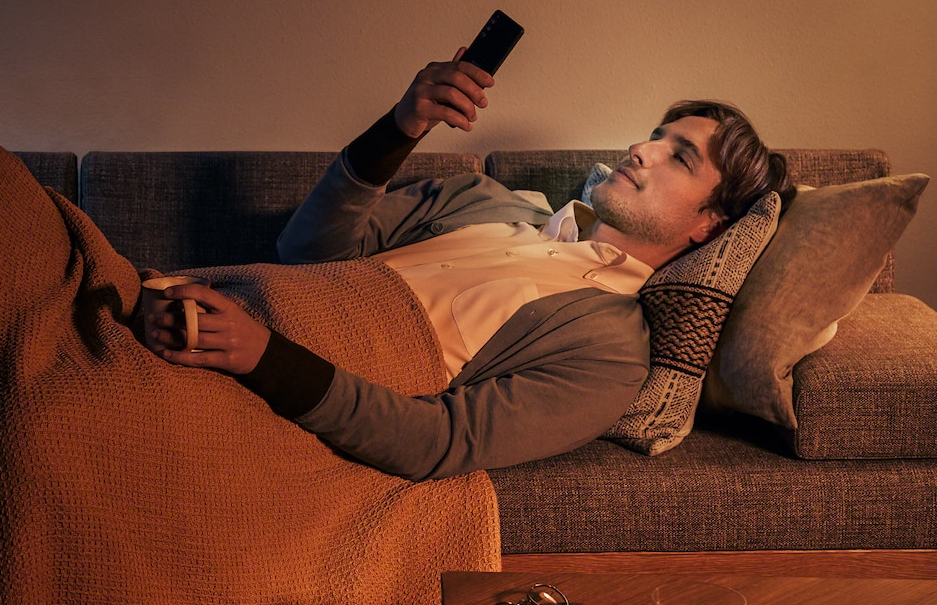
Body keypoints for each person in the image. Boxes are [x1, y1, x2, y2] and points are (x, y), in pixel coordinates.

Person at [146, 47, 791, 479]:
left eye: (680, 157)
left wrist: (261, 354)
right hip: (206, 305)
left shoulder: (613, 350)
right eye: (655, 136)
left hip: (248, 389)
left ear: (710, 225)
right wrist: (400, 127)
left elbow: (438, 439)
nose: (640, 150)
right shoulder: (483, 198)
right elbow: (306, 255)